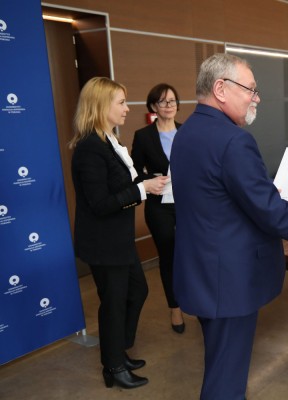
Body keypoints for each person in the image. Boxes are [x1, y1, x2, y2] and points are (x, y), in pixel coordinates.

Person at [169, 53, 288, 400]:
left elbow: (216, 198)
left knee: (221, 364)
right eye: (250, 89)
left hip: (202, 273)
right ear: (220, 88)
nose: (256, 98)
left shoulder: (188, 131)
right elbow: (269, 213)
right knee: (225, 382)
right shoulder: (233, 140)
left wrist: (262, 194)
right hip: (229, 281)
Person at [69, 77, 168, 389]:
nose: (127, 108)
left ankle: (117, 351)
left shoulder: (109, 142)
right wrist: (142, 189)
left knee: (136, 291)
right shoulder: (89, 149)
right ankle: (112, 366)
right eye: (121, 103)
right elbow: (100, 204)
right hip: (103, 243)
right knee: (113, 303)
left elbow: (128, 180)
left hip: (119, 241)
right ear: (101, 107)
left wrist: (151, 179)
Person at [131, 83, 185, 334]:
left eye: (172, 101)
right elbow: (133, 172)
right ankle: (175, 308)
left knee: (192, 252)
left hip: (189, 204)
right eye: (163, 102)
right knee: (169, 254)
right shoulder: (143, 136)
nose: (169, 106)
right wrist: (148, 180)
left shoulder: (187, 132)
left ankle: (195, 299)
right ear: (153, 106)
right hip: (159, 206)